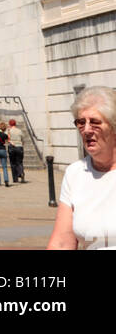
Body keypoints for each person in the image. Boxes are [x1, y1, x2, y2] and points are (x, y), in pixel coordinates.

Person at [48, 86, 116, 250]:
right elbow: (62, 242)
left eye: (95, 122)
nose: (86, 130)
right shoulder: (75, 173)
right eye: (80, 122)